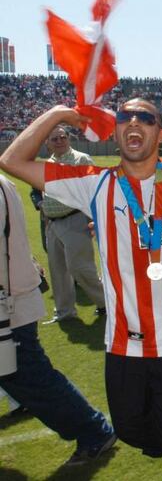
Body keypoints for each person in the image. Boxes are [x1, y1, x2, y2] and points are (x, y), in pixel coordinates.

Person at [0, 100, 162, 480]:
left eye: (146, 118)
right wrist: (59, 114)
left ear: (161, 133)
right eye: (125, 118)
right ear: (114, 133)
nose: (134, 123)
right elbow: (13, 161)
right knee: (131, 428)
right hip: (126, 342)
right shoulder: (95, 184)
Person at [0, 174, 116, 466]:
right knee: (23, 373)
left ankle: (93, 430)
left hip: (9, 304)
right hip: (12, 297)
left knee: (27, 373)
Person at [38, 124, 105, 323]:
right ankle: (64, 311)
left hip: (75, 219)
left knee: (80, 268)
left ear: (68, 138)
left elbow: (95, 188)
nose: (59, 141)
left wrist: (93, 218)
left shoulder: (80, 159)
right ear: (47, 143)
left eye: (62, 137)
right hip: (53, 224)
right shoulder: (47, 163)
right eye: (54, 139)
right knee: (58, 270)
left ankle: (106, 303)